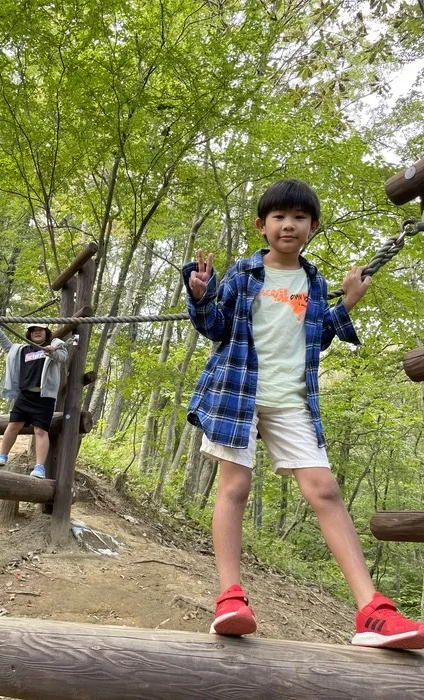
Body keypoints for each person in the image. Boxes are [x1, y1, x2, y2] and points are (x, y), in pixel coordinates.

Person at [182, 178, 424, 649]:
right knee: (235, 486)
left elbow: (316, 335)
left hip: (293, 400)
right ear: (262, 225)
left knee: (326, 491)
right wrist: (200, 293)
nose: (288, 225)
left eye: (298, 218)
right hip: (238, 395)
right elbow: (215, 327)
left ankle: (371, 610)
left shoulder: (313, 283)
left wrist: (348, 301)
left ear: (312, 227)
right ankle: (230, 598)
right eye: (278, 217)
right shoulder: (243, 275)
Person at [0, 322, 68, 478]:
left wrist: (51, 352)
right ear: (29, 334)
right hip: (25, 395)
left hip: (44, 397)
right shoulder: (22, 350)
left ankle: (39, 467)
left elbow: (63, 356)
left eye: (41, 330)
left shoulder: (52, 347)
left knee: (40, 430)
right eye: (34, 331)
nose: (37, 332)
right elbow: (7, 347)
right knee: (13, 425)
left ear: (46, 332)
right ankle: (3, 455)